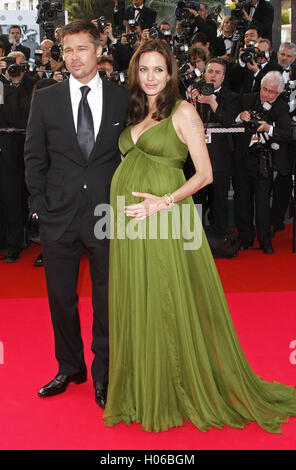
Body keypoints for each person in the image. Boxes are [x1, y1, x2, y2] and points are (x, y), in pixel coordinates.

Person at [103, 39, 296, 433]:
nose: (151, 77)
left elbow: (205, 175)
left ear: (170, 73)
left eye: (159, 69)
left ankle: (170, 385)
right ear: (134, 74)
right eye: (144, 69)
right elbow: (130, 160)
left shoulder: (184, 111)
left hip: (164, 215)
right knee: (136, 294)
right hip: (128, 219)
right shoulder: (134, 110)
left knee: (164, 295)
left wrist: (163, 202)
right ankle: (141, 384)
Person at [24, 20, 129, 407]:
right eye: (67, 50)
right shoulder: (45, 98)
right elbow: (34, 156)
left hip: (106, 214)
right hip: (58, 215)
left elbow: (131, 156)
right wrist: (39, 206)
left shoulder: (122, 99)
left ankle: (104, 372)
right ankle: (70, 366)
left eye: (81, 49)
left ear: (98, 50)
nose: (73, 57)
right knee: (60, 297)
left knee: (106, 298)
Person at [233, 71, 291, 254]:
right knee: (242, 200)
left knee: (263, 202)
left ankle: (265, 240)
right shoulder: (247, 98)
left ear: (279, 93)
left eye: (272, 92)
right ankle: (246, 237)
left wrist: (269, 128)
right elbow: (229, 118)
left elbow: (288, 133)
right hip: (242, 157)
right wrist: (239, 117)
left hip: (263, 159)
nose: (267, 94)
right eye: (264, 89)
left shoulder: (281, 107)